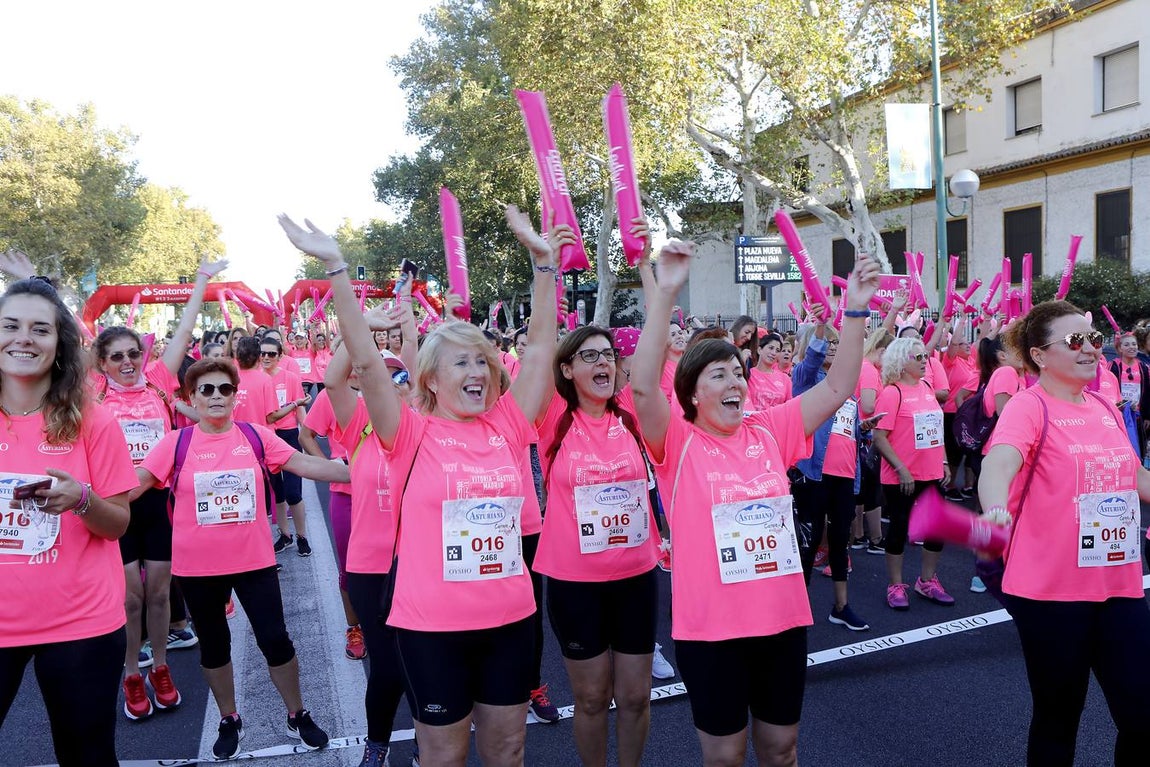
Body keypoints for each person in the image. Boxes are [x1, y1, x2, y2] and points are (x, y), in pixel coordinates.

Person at [280, 207, 570, 767]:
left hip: (509, 620)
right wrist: (337, 268)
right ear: (431, 379)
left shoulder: (508, 424)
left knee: (508, 749)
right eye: (462, 363)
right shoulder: (408, 431)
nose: (477, 372)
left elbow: (539, 350)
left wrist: (543, 267)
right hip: (431, 626)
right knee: (443, 755)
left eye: (483, 361)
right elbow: (367, 364)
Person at [630, 238, 879, 767]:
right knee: (725, 757)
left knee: (782, 751)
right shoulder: (677, 440)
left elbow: (838, 387)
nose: (735, 383)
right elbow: (644, 390)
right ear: (692, 393)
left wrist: (855, 310)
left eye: (738, 373)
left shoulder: (770, 428)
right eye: (719, 374)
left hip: (780, 621)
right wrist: (666, 293)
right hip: (711, 630)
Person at [134, 357, 349, 759]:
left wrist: (359, 471)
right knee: (215, 647)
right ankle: (229, 718)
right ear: (192, 398)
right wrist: (85, 497)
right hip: (198, 568)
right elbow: (136, 483)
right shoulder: (176, 443)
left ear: (235, 396)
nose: (216, 396)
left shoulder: (255, 436)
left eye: (225, 389)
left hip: (254, 562)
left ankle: (297, 713)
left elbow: (303, 463)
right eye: (207, 389)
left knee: (276, 640)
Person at [979, 301, 1150, 766]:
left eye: (1093, 339)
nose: (1091, 348)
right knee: (1058, 720)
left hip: (1119, 586)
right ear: (1039, 355)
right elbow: (998, 464)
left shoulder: (1104, 406)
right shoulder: (1028, 407)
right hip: (1051, 593)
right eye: (1075, 341)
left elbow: (1135, 476)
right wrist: (994, 507)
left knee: (1143, 714)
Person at [0, 269, 136, 767]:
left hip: (80, 622)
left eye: (40, 329)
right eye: (10, 326)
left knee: (87, 757)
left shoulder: (93, 419)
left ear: (60, 345)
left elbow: (117, 524)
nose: (23, 338)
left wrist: (82, 500)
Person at [92, 256, 226, 720]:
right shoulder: (93, 393)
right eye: (117, 356)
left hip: (159, 503)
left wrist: (202, 278)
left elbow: (185, 331)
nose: (128, 362)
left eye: (134, 353)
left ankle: (161, 668)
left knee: (161, 596)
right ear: (102, 363)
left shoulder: (157, 382)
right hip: (116, 505)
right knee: (130, 597)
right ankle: (132, 673)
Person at [535, 323, 661, 767]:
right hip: (575, 583)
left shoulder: (631, 411)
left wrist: (657, 286)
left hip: (636, 578)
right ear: (567, 369)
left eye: (608, 354)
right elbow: (537, 352)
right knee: (591, 698)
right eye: (589, 356)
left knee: (636, 696)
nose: (603, 361)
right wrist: (547, 286)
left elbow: (652, 356)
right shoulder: (553, 414)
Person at [790, 320, 870, 631]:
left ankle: (841, 606)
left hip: (844, 475)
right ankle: (797, 611)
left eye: (837, 343)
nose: (833, 348)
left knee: (839, 542)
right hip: (814, 474)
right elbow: (809, 363)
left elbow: (845, 431)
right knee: (808, 545)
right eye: (828, 343)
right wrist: (821, 328)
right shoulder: (807, 380)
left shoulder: (846, 391)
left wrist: (863, 428)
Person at [871, 337, 954, 610]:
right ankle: (895, 585)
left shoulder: (928, 387)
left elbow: (935, 430)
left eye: (924, 357)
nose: (924, 362)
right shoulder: (892, 393)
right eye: (917, 357)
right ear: (901, 361)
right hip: (902, 477)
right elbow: (879, 437)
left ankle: (927, 581)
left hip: (932, 473)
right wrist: (901, 469)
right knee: (899, 528)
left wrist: (944, 461)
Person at [259, 336, 313, 557]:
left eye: (271, 354)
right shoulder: (257, 379)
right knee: (278, 492)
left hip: (288, 435)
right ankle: (285, 535)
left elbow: (299, 408)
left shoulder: (290, 378)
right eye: (262, 353)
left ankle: (302, 536)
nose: (266, 357)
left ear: (280, 356)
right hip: (267, 437)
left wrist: (307, 434)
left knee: (293, 491)